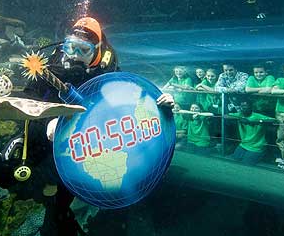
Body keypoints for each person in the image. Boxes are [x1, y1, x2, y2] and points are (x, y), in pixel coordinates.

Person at [13, 17, 175, 235]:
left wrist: (158, 105)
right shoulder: (50, 67)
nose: (75, 55)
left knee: (61, 207)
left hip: (82, 152)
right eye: (70, 47)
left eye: (84, 50)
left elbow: (125, 105)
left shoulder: (107, 74)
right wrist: (45, 122)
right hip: (43, 141)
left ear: (97, 51)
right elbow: (26, 98)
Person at [225, 99, 276, 165]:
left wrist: (254, 121)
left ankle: (264, 155)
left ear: (251, 107)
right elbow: (225, 116)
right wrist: (240, 118)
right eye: (241, 106)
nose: (243, 107)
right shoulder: (240, 115)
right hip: (243, 144)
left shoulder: (257, 116)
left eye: (245, 106)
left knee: (246, 163)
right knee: (234, 160)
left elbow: (275, 121)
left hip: (256, 147)